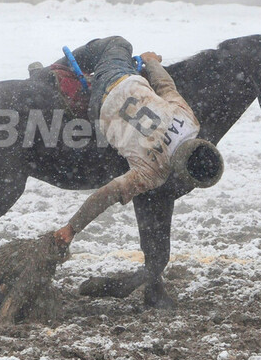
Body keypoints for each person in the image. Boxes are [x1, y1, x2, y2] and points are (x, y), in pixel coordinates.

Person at [52, 36, 223, 246]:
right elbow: (107, 194)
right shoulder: (154, 174)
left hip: (120, 76)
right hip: (99, 106)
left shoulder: (190, 122)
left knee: (118, 43)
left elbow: (165, 85)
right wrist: (72, 228)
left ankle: (56, 68)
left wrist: (151, 61)